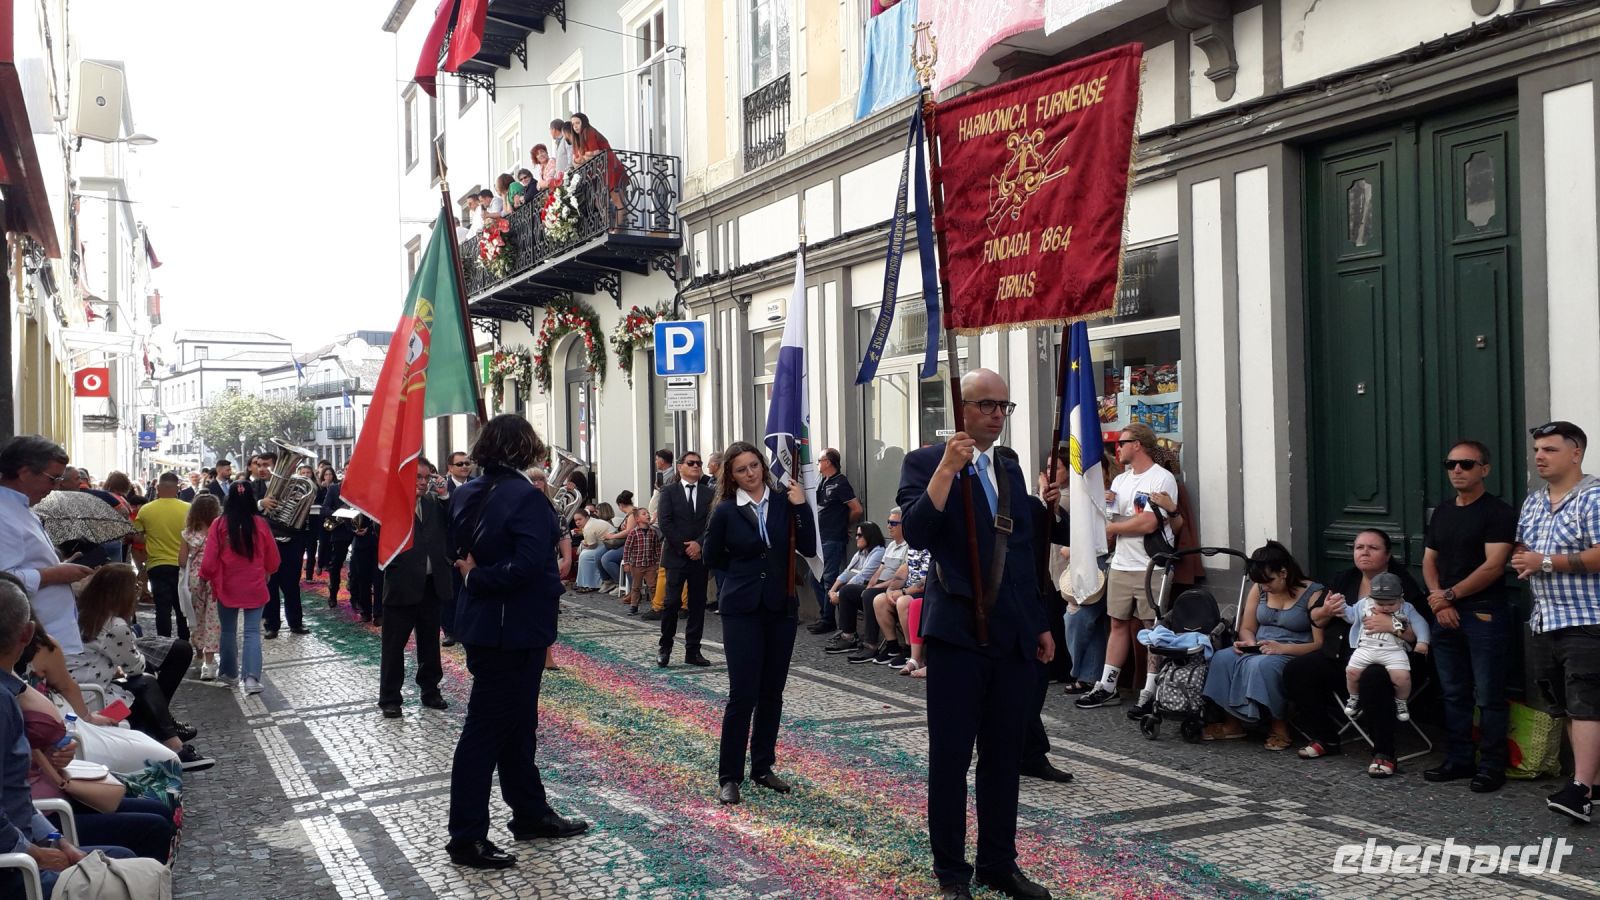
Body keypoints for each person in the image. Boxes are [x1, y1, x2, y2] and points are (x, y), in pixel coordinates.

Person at [897, 369, 1054, 900]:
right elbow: (918, 533)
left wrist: (1039, 623)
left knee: (1004, 755)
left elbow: (1025, 555)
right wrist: (947, 468)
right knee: (950, 756)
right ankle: (951, 870)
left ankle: (998, 862)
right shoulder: (924, 461)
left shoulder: (1006, 466)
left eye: (1003, 406)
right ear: (959, 408)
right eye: (986, 404)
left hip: (1011, 633)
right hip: (958, 632)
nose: (996, 414)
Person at [446, 415, 587, 869]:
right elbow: (528, 563)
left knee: (518, 727)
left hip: (488, 628)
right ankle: (466, 838)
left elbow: (462, 550)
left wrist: (474, 575)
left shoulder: (467, 490)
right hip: (514, 629)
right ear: (522, 448)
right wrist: (480, 578)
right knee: (485, 735)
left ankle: (530, 812)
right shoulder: (526, 497)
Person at [0, 577, 136, 900]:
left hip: (30, 838)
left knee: (128, 858)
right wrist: (35, 852)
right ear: (27, 634)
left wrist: (56, 842)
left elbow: (17, 796)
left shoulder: (10, 688)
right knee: (129, 869)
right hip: (16, 871)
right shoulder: (3, 699)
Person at [701, 441, 815, 804]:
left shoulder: (784, 502)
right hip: (742, 609)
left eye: (754, 466)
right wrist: (736, 580)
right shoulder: (725, 512)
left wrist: (801, 509)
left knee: (772, 692)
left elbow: (809, 546)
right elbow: (711, 556)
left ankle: (763, 766)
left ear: (763, 466)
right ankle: (729, 775)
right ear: (730, 478)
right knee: (743, 693)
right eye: (741, 470)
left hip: (781, 607)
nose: (750, 474)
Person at [1511, 421, 1600, 823]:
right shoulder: (1534, 500)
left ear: (1576, 452)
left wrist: (1545, 562)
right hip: (1545, 619)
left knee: (1586, 707)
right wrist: (1521, 558)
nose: (1539, 457)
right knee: (1567, 707)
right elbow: (1523, 544)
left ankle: (1579, 789)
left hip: (1588, 618)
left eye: (1549, 449)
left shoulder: (1594, 497)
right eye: (1537, 451)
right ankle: (1592, 786)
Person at [1418, 439, 1518, 791]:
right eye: (1451, 464)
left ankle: (1492, 765)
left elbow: (1493, 567)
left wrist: (1448, 596)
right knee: (1453, 692)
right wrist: (1438, 600)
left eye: (1466, 464)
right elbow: (1429, 560)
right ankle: (1459, 758)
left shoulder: (1498, 513)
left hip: (1483, 613)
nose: (1457, 470)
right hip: (1444, 611)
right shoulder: (1443, 511)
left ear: (1484, 469)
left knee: (1489, 694)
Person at [1284, 528, 1423, 775]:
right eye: (1360, 547)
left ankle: (1384, 752)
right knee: (1298, 670)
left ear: (1388, 554)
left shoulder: (1402, 585)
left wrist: (1393, 627)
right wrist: (1326, 610)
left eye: (1373, 548)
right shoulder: (1344, 579)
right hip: (1343, 655)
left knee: (1374, 678)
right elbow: (1315, 617)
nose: (1365, 552)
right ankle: (1325, 737)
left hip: (1388, 661)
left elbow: (1419, 633)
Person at [66, 564, 213, 770]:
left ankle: (163, 730)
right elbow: (134, 666)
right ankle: (175, 746)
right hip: (92, 698)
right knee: (146, 682)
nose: (137, 592)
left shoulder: (85, 613)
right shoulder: (114, 625)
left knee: (147, 680)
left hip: (81, 691)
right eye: (134, 587)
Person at [1074, 423, 1176, 712]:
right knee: (1117, 623)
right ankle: (1107, 685)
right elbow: (1112, 519)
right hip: (1121, 562)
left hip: (1151, 565)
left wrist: (1114, 527)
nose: (1117, 448)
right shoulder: (1120, 481)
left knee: (1152, 627)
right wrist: (1107, 512)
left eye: (1122, 442)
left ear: (1138, 445)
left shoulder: (1162, 478)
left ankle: (1151, 690)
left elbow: (1150, 523)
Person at [1200, 541, 1322, 751]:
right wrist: (1249, 642)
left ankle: (1279, 726)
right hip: (1260, 647)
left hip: (1294, 650)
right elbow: (1247, 627)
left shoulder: (1313, 593)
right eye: (1260, 583)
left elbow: (1318, 643)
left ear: (1283, 572)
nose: (1265, 587)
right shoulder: (1260, 589)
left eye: (1269, 582)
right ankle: (1233, 724)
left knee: (1263, 666)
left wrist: (1282, 648)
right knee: (1223, 658)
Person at [0, 436, 94, 655]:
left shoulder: (20, 509)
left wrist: (60, 567)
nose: (54, 487)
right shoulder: (4, 513)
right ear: (24, 473)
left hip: (48, 638)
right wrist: (54, 574)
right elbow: (4, 582)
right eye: (52, 479)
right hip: (33, 645)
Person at [378, 463, 451, 719]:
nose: (422, 481)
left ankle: (430, 690)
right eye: (417, 477)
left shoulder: (433, 503)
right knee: (394, 645)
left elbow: (452, 524)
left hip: (431, 585)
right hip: (402, 585)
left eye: (426, 477)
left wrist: (444, 497)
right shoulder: (392, 506)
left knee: (430, 643)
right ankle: (390, 697)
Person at [201, 481, 280, 695]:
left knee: (227, 631)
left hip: (226, 585)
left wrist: (205, 577)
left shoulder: (219, 524)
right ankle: (252, 679)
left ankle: (229, 674)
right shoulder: (260, 524)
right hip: (254, 584)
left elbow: (208, 560)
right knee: (252, 632)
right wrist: (269, 570)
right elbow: (273, 558)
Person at [1334, 572, 1430, 719]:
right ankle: (1353, 697)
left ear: (1401, 597)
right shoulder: (1364, 605)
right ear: (1371, 598)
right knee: (1352, 672)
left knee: (1402, 677)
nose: (1386, 608)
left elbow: (1420, 624)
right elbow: (1351, 615)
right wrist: (1340, 605)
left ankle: (1401, 701)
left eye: (1391, 604)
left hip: (1394, 650)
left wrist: (1423, 641)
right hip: (1366, 648)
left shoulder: (1407, 608)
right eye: (1380, 604)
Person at [657, 451, 715, 668]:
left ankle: (693, 650)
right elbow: (665, 522)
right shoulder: (669, 491)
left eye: (699, 463)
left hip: (699, 557)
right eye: (691, 463)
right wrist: (685, 547)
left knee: (697, 604)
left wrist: (699, 544)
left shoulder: (708, 493)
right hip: (676, 555)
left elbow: (711, 524)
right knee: (671, 603)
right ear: (680, 466)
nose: (696, 466)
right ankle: (665, 647)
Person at [807, 448, 863, 636]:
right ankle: (826, 616)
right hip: (819, 538)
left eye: (819, 460)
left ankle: (828, 620)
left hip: (832, 537)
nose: (817, 464)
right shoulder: (821, 481)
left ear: (828, 462)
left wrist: (844, 524)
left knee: (828, 578)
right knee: (814, 577)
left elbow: (856, 509)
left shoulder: (840, 482)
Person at [845, 512, 913, 664]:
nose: (889, 526)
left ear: (905, 525)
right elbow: (879, 570)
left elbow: (900, 576)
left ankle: (871, 644)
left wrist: (874, 588)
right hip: (879, 585)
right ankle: (847, 636)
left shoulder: (908, 546)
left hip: (892, 585)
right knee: (847, 591)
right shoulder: (891, 546)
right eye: (889, 522)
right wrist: (870, 585)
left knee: (870, 596)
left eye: (894, 523)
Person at [136, 472, 191, 640]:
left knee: (162, 609)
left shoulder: (145, 510)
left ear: (158, 488)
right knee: (182, 608)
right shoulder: (189, 509)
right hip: (182, 565)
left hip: (157, 565)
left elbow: (137, 538)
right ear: (177, 488)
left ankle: (164, 644)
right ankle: (184, 643)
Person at [822, 522, 887, 656]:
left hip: (873, 588)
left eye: (859, 535)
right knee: (844, 589)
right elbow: (848, 572)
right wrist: (832, 590)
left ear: (869, 536)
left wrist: (839, 594)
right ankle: (848, 635)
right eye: (856, 535)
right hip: (864, 589)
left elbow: (863, 575)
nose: (856, 538)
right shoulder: (861, 553)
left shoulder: (879, 552)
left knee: (847, 592)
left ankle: (854, 638)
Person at [180, 494, 223, 680]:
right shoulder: (220, 531)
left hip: (195, 579)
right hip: (215, 577)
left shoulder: (187, 533)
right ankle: (209, 662)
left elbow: (181, 560)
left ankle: (199, 651)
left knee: (197, 616)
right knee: (213, 618)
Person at [569, 112, 626, 226]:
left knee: (616, 199)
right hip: (599, 171)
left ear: (583, 123)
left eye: (577, 123)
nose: (575, 126)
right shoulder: (577, 139)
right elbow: (577, 162)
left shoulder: (588, 131)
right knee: (598, 201)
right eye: (573, 124)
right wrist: (583, 158)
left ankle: (618, 229)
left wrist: (582, 158)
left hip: (609, 166)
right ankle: (608, 227)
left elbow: (594, 153)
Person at [622, 508, 661, 615]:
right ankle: (634, 605)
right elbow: (627, 548)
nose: (647, 515)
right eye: (644, 514)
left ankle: (656, 606)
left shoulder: (653, 532)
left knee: (653, 586)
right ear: (637, 519)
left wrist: (658, 561)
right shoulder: (633, 533)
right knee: (636, 586)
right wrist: (626, 562)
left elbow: (657, 547)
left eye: (648, 513)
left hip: (650, 564)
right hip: (637, 564)